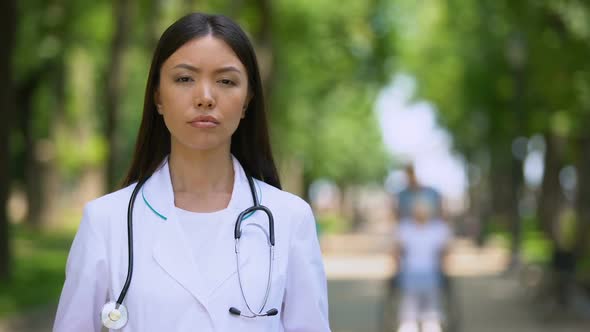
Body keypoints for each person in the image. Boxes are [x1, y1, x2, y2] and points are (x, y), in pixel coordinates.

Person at [53, 13, 330, 332]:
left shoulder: (289, 219)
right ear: (158, 96)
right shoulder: (105, 222)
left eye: (226, 81)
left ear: (246, 101)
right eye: (185, 79)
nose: (205, 97)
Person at [393, 199, 452, 332]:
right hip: (411, 274)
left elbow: (445, 253)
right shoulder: (405, 228)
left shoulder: (438, 228)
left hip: (430, 274)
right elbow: (396, 252)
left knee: (429, 315)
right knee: (410, 315)